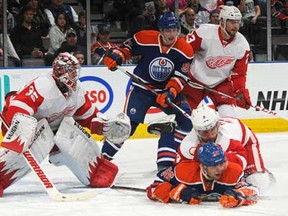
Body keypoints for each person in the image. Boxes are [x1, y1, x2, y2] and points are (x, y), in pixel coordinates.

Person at [0, 52, 131, 197]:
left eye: (75, 70)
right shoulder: (43, 86)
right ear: (59, 71)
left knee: (70, 129)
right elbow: (18, 106)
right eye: (70, 70)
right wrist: (20, 127)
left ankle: (95, 169)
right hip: (20, 125)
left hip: (51, 128)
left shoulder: (77, 92)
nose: (74, 74)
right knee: (37, 138)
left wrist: (103, 126)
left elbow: (88, 116)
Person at [102, 11, 194, 171]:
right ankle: (102, 159)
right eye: (167, 30)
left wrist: (170, 92)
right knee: (128, 126)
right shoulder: (145, 38)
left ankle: (168, 158)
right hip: (142, 89)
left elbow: (181, 76)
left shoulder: (185, 49)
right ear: (161, 30)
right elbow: (126, 48)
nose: (172, 34)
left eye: (175, 30)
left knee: (186, 121)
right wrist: (118, 56)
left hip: (166, 91)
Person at [178, 96, 275, 194]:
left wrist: (218, 156)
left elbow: (241, 161)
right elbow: (179, 168)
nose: (210, 135)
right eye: (205, 132)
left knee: (256, 181)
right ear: (197, 131)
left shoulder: (228, 138)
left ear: (218, 125)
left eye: (213, 129)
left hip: (246, 142)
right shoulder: (188, 144)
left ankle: (263, 173)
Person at [183, 5, 251, 117]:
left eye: (237, 22)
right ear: (222, 21)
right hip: (195, 84)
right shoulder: (204, 32)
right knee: (192, 121)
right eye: (232, 22)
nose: (236, 26)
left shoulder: (242, 45)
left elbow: (239, 74)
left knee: (229, 118)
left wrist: (239, 92)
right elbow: (183, 50)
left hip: (221, 85)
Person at [147, 142, 259, 208]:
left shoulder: (234, 171)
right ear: (203, 167)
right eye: (214, 166)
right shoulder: (183, 171)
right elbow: (153, 188)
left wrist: (238, 196)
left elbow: (252, 190)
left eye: (222, 163)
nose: (220, 169)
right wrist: (177, 192)